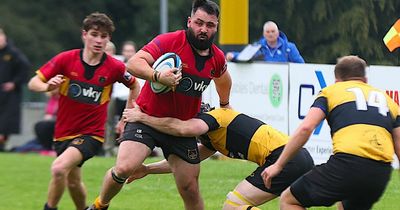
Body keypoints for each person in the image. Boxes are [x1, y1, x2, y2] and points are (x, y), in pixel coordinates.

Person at [88, 1, 232, 210]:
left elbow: (224, 79)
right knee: (124, 167)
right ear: (189, 22)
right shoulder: (170, 41)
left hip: (180, 128)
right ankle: (100, 205)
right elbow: (134, 63)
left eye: (209, 25)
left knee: (190, 188)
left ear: (216, 27)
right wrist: (157, 76)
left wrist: (225, 105)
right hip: (145, 118)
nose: (203, 29)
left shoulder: (216, 57)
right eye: (199, 23)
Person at [27, 12, 141, 210]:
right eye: (94, 34)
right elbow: (33, 82)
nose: (99, 40)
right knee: (72, 180)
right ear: (84, 35)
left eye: (104, 36)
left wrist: (126, 117)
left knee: (58, 168)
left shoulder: (114, 66)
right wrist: (47, 86)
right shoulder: (66, 59)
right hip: (63, 133)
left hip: (91, 135)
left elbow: (135, 85)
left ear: (108, 39)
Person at [261, 55, 400, 210]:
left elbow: (306, 128)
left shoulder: (330, 92)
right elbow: (399, 144)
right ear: (365, 80)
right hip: (380, 173)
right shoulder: (388, 100)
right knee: (345, 203)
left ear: (337, 81)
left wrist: (278, 165)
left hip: (347, 164)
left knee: (289, 200)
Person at [121, 103, 314, 210]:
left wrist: (143, 118)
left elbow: (182, 129)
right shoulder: (211, 139)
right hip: (297, 157)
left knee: (232, 206)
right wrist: (147, 169)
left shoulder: (216, 117)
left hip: (284, 158)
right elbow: (189, 159)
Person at [104, 40, 137, 156]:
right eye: (126, 51)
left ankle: (128, 150)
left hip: (130, 97)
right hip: (115, 97)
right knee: (109, 123)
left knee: (129, 123)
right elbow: (106, 55)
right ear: (122, 52)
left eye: (131, 51)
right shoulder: (117, 62)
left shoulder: (138, 65)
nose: (128, 53)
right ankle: (108, 149)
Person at [0, 27, 30, 151]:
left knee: (6, 123)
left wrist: (14, 83)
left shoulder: (13, 53)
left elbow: (25, 66)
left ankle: (2, 144)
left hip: (9, 95)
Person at [226, 21, 304, 63]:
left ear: (278, 33)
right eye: (268, 32)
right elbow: (244, 56)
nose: (270, 34)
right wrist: (233, 55)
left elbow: (301, 65)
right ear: (264, 34)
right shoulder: (257, 47)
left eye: (273, 31)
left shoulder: (289, 47)